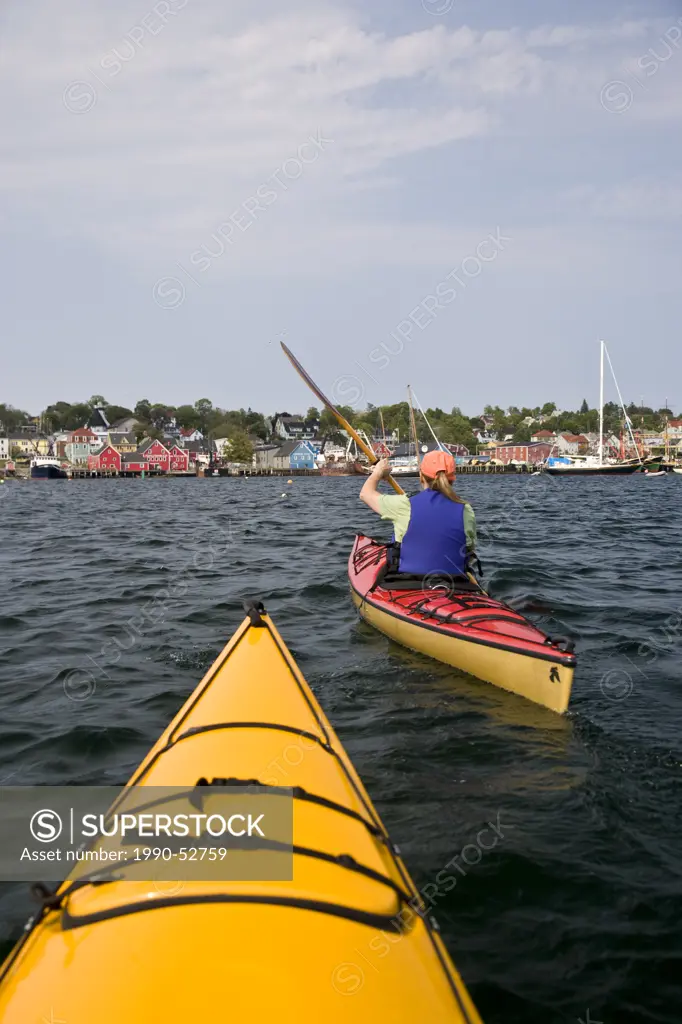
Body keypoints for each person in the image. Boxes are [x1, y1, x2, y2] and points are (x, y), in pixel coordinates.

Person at [359, 450, 476, 577]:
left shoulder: (404, 504)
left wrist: (378, 472)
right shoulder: (465, 509)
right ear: (453, 479)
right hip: (455, 581)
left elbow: (365, 494)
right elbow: (469, 548)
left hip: (407, 580)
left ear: (421, 476)